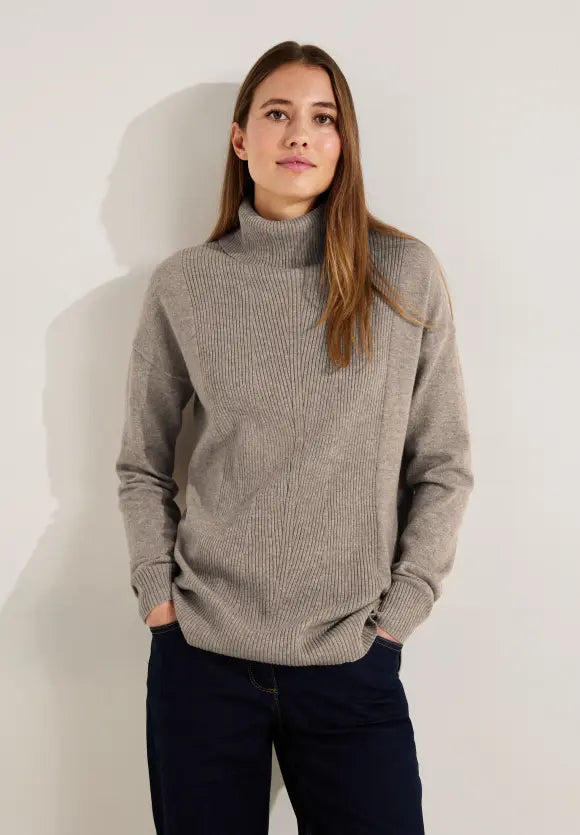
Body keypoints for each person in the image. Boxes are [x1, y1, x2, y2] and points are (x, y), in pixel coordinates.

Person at [115, 40, 474, 835]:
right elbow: (142, 462)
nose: (300, 134)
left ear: (344, 144)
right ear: (241, 138)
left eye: (324, 118)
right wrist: (159, 598)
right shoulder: (186, 284)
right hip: (202, 658)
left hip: (352, 659)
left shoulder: (402, 276)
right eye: (278, 114)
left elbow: (443, 464)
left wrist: (400, 614)